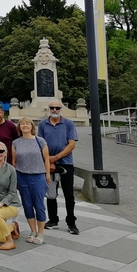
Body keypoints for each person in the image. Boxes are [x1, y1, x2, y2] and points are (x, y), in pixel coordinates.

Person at [37, 100, 79, 235]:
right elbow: (41, 144)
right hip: (48, 163)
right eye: (52, 108)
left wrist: (55, 158)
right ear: (49, 109)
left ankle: (71, 222)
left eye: (57, 108)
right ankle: (53, 219)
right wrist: (49, 161)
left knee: (69, 194)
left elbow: (72, 144)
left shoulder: (68, 124)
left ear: (61, 109)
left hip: (65, 163)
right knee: (50, 193)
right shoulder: (43, 124)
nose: (54, 110)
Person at [12, 117, 51, 245]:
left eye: (27, 123)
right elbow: (14, 161)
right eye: (22, 124)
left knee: (38, 205)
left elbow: (46, 159)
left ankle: (40, 233)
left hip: (38, 176)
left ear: (32, 126)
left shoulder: (40, 141)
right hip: (22, 176)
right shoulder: (16, 143)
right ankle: (32, 231)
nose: (25, 126)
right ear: (19, 127)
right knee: (27, 205)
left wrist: (47, 174)